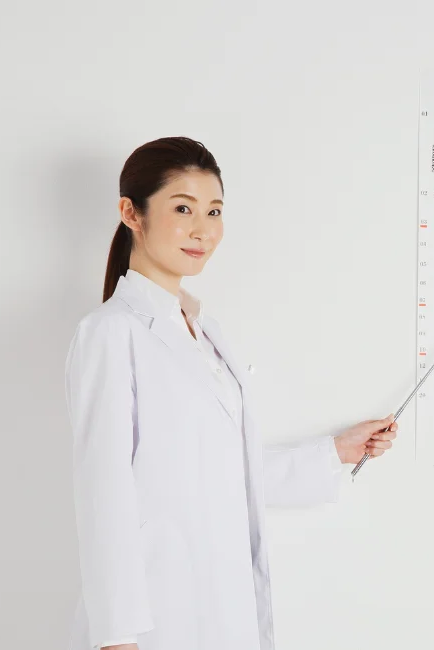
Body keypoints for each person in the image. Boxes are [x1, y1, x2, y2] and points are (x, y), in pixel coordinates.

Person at [63, 136, 397, 650]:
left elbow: (219, 472)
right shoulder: (110, 332)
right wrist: (117, 638)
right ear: (131, 213)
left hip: (220, 607)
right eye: (183, 208)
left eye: (214, 211)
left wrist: (335, 453)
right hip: (152, 620)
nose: (203, 229)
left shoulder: (206, 334)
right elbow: (103, 495)